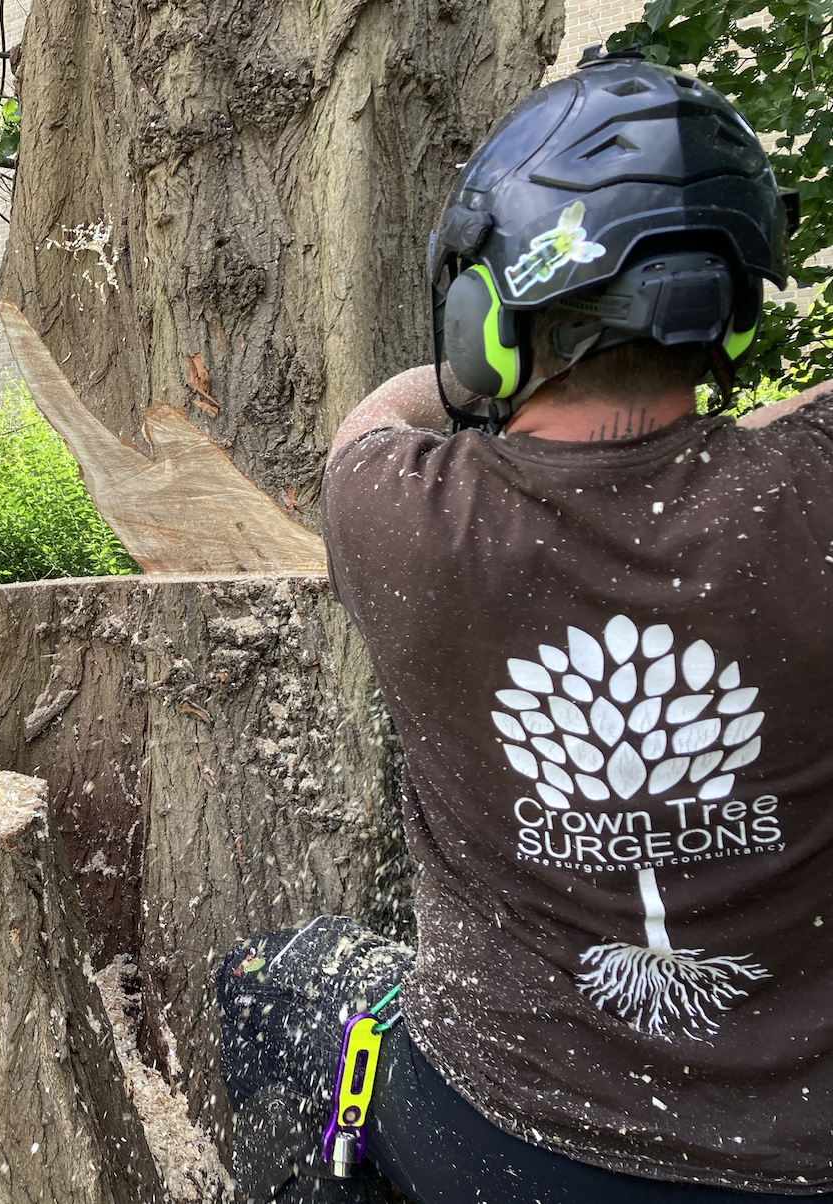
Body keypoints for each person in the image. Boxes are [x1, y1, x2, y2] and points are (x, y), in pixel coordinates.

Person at [222, 47, 832, 1203]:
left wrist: (461, 379)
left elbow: (377, 416)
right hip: (803, 1157)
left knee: (271, 980)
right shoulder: (813, 496)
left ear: (485, 319)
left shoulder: (402, 515)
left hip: (507, 1139)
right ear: (735, 312)